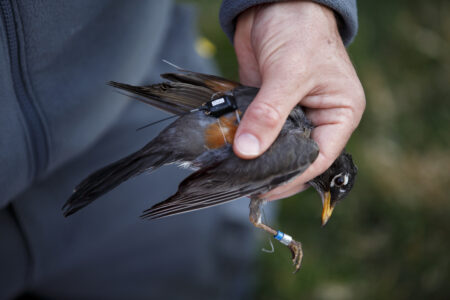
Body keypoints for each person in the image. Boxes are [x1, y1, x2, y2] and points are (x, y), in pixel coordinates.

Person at [0, 0, 364, 299]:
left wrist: (294, 4)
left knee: (211, 264)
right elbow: (238, 192)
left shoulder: (300, 125)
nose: (327, 204)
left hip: (129, 51)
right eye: (334, 190)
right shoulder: (303, 152)